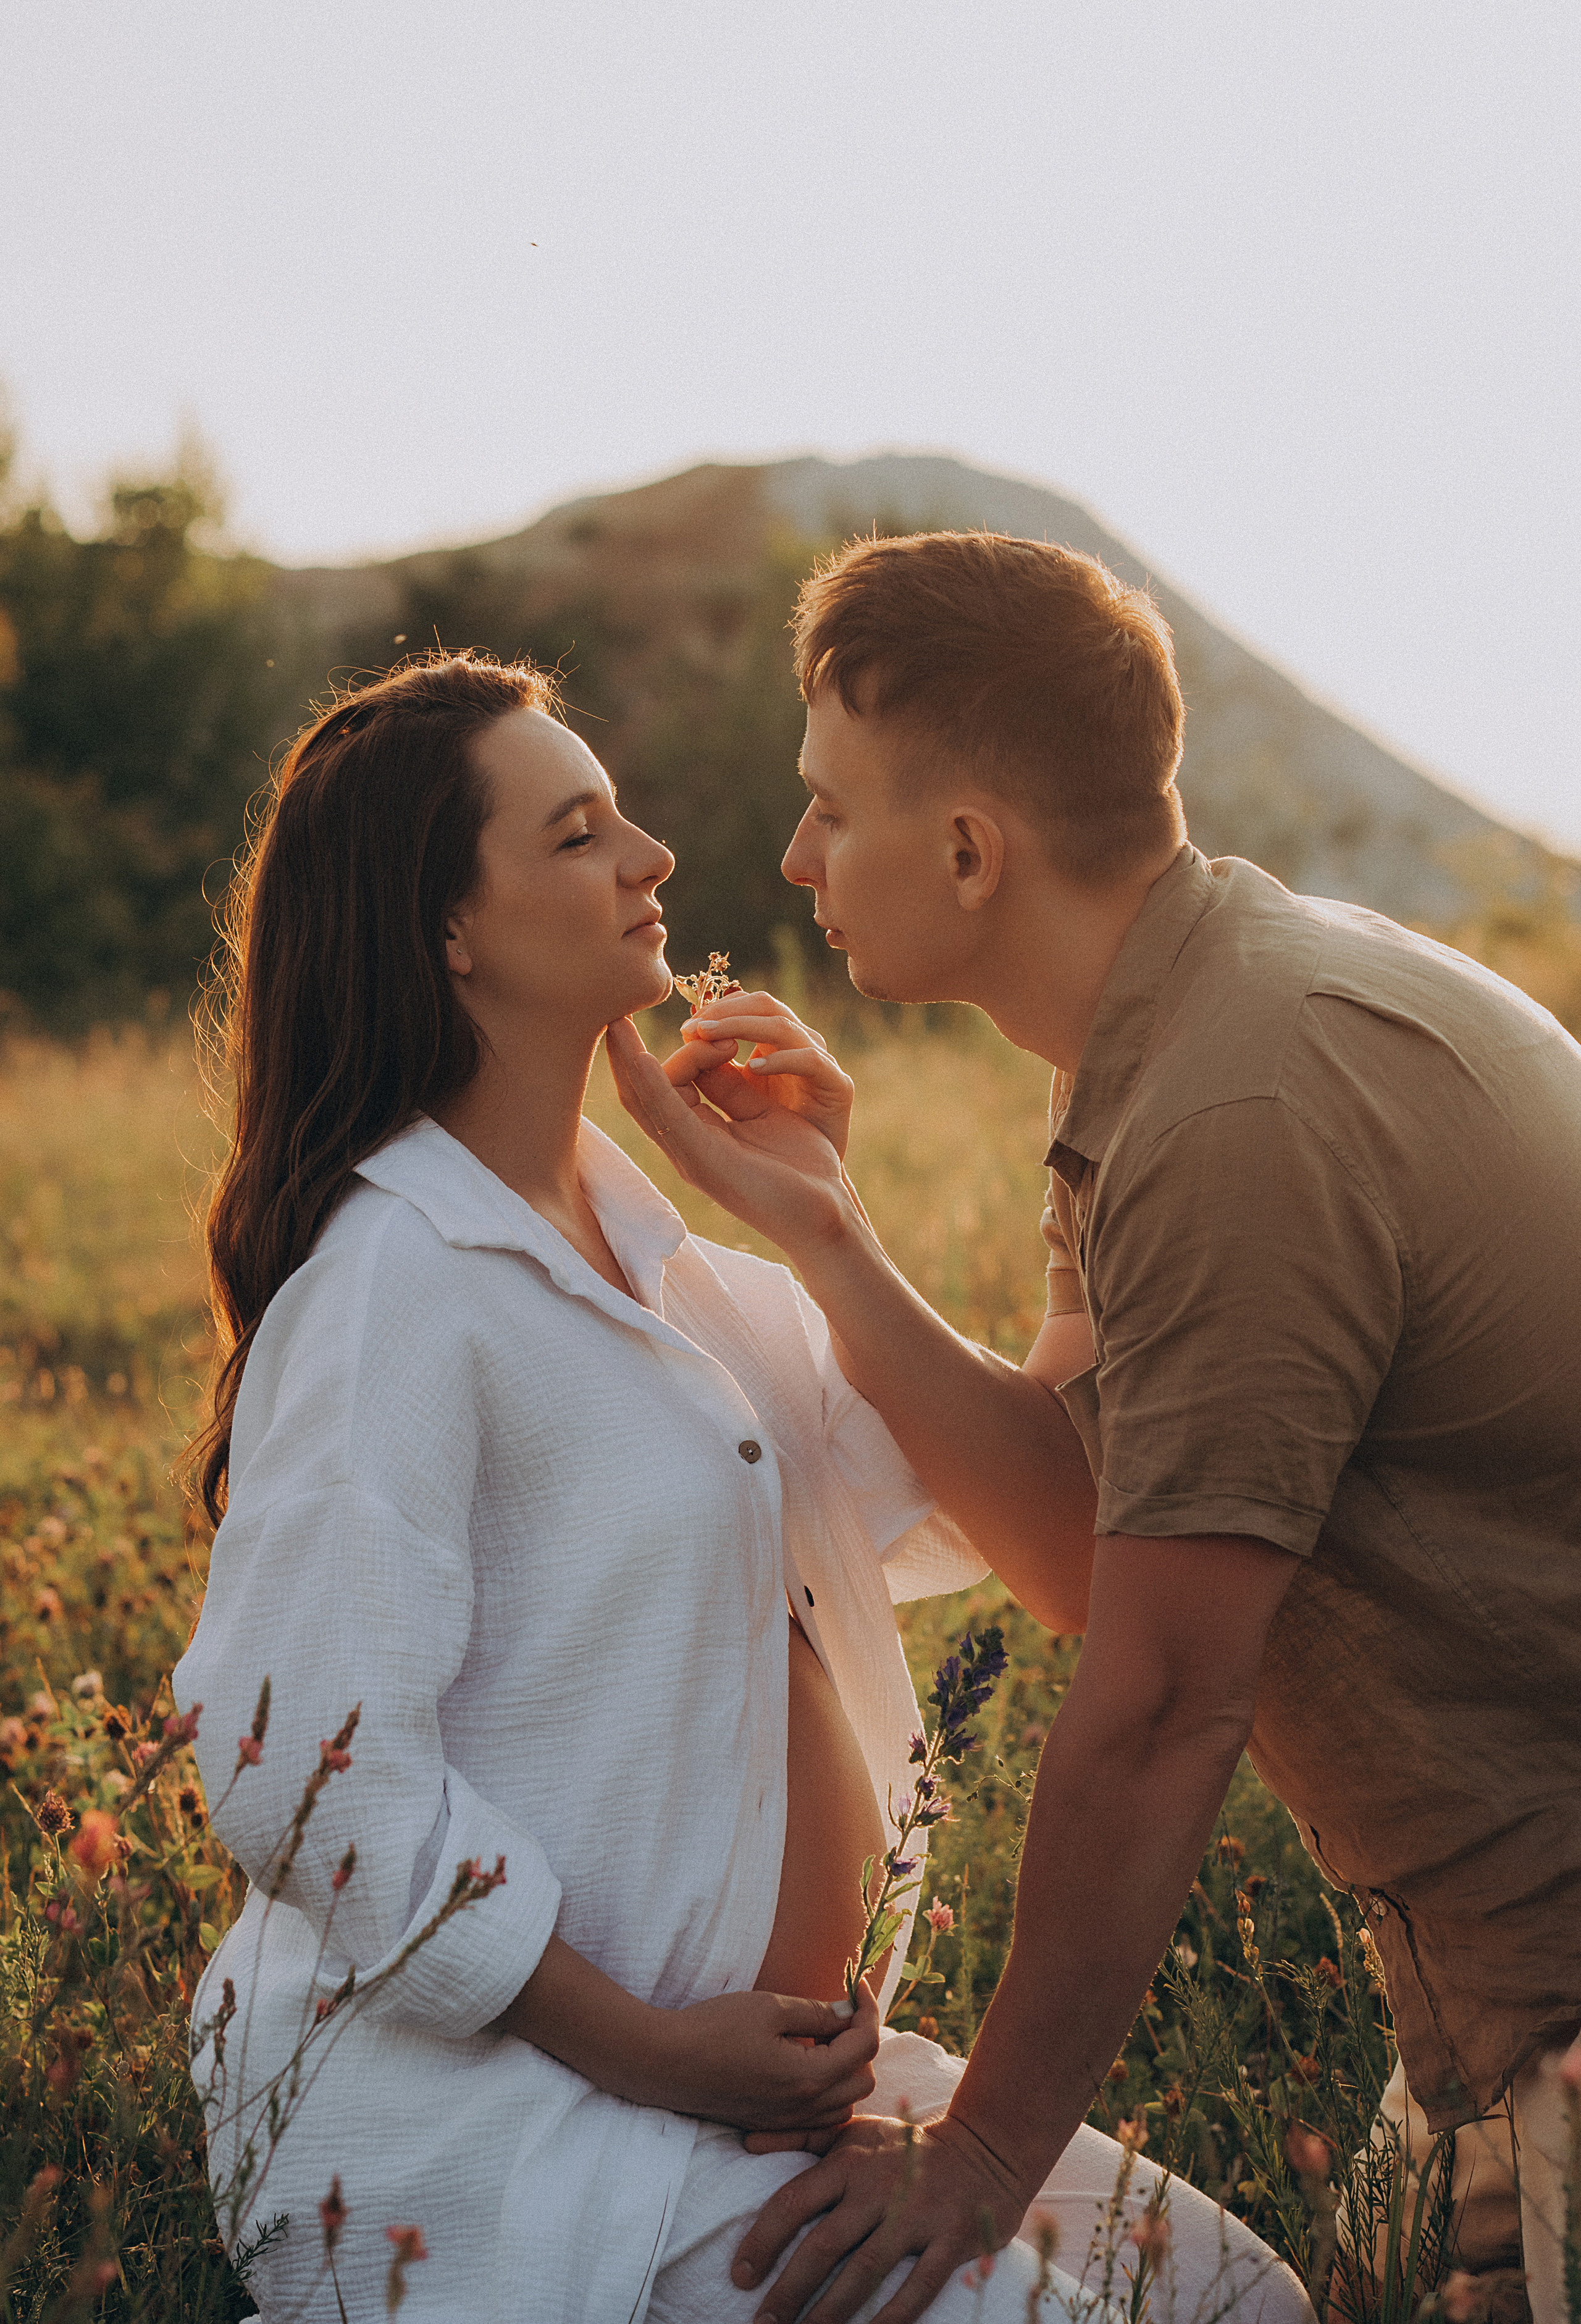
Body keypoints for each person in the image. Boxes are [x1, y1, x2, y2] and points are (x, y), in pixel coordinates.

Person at [174, 653, 1302, 2324]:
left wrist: (826, 1221)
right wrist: (642, 2043)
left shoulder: (678, 1275)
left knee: (1239, 2301)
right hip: (522, 2127)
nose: (653, 859)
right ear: (448, 933)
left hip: (751, 2102)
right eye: (577, 834)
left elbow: (1012, 1527)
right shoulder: (392, 1276)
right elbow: (298, 1773)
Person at [606, 529, 1581, 2324]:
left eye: (833, 808)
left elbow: (1154, 1699)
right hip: (1490, 1986)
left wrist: (978, 2159)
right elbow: (1075, 1542)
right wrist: (827, 1225)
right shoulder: (1158, 1039)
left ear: (972, 848)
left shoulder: (1239, 1107)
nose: (795, 855)